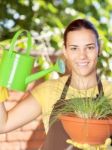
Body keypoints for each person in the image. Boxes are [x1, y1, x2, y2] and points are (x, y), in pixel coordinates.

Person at [0, 19, 112, 150]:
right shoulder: (48, 90)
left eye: (90, 47)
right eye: (74, 48)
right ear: (65, 50)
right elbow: (3, 125)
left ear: (99, 48)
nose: (82, 56)